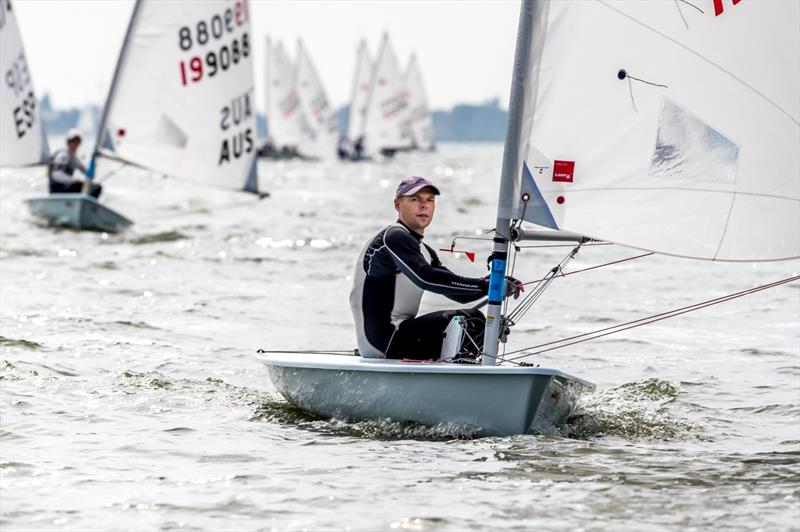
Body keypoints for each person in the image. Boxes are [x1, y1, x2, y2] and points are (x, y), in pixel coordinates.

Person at [350, 175, 522, 361]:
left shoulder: (424, 251)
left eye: (429, 200)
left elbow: (460, 294)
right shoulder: (393, 237)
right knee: (472, 321)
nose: (423, 205)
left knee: (481, 325)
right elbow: (425, 278)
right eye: (415, 199)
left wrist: (492, 281)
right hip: (383, 341)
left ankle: (462, 370)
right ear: (397, 204)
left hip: (400, 335)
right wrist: (486, 286)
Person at [48, 129, 102, 198]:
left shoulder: (74, 158)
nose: (75, 144)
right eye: (72, 141)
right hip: (57, 190)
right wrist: (74, 180)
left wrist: (93, 163)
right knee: (88, 187)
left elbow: (89, 175)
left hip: (66, 188)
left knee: (96, 188)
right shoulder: (63, 155)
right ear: (67, 142)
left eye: (77, 141)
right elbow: (57, 175)